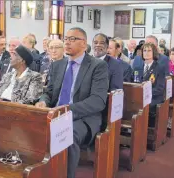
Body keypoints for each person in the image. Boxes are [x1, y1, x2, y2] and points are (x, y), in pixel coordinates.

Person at [35, 27, 109, 178]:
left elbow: (98, 101)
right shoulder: (58, 65)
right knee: (30, 126)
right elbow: (48, 93)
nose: (67, 42)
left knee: (66, 133)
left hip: (83, 117)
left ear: (84, 43)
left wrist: (67, 110)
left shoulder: (97, 66)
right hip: (55, 113)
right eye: (66, 39)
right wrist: (43, 101)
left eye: (72, 39)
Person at [140, 43, 166, 127]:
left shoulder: (159, 68)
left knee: (146, 107)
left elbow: (160, 88)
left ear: (154, 52)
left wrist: (145, 95)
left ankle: (146, 129)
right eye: (144, 50)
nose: (146, 53)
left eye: (149, 50)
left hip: (154, 97)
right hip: (140, 96)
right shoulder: (138, 66)